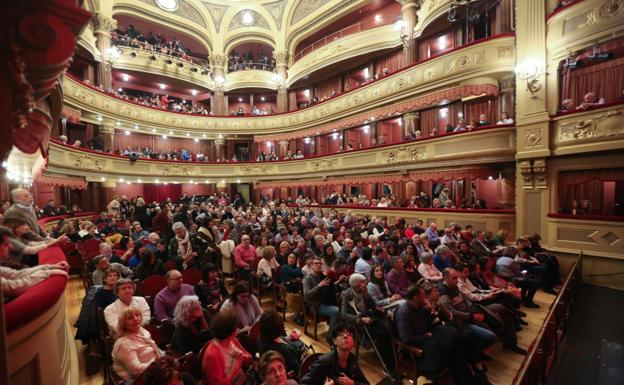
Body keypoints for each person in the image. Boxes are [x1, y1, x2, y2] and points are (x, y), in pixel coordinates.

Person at [395, 285, 479, 385]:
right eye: (423, 295)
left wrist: (431, 311)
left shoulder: (421, 307)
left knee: (455, 339)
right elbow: (407, 340)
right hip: (418, 345)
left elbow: (434, 324)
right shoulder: (404, 314)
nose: (425, 297)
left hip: (429, 337)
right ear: (415, 298)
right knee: (453, 350)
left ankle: (470, 375)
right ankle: (470, 375)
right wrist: (426, 336)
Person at [340, 273, 395, 374]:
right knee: (383, 336)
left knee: (389, 331)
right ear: (357, 284)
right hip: (359, 323)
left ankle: (392, 359)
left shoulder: (363, 291)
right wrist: (360, 319)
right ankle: (388, 367)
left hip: (370, 318)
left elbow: (372, 305)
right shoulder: (347, 295)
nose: (366, 283)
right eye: (363, 282)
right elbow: (344, 315)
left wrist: (366, 295)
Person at [0, 226, 69, 296]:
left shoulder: (20, 238)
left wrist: (50, 267)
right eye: (6, 244)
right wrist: (48, 273)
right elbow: (14, 287)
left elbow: (16, 274)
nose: (11, 246)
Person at [299, 322, 369, 385]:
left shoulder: (352, 359)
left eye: (349, 334)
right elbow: (303, 383)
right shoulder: (324, 361)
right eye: (341, 333)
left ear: (354, 342)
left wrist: (352, 383)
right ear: (335, 341)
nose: (345, 336)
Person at [112, 307, 163, 382]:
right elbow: (136, 371)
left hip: (154, 370)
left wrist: (164, 360)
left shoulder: (142, 331)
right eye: (130, 318)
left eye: (137, 315)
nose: (136, 319)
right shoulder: (124, 344)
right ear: (124, 324)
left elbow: (155, 348)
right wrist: (158, 366)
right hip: (139, 379)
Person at [201, 311, 252, 385]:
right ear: (233, 333)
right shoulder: (212, 356)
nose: (237, 330)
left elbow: (248, 355)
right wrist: (235, 366)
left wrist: (245, 358)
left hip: (242, 378)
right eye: (236, 329)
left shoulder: (232, 340)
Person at [303, 256, 340, 342]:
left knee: (343, 308)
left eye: (320, 264)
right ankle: (330, 336)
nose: (319, 265)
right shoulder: (307, 279)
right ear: (311, 265)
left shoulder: (322, 276)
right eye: (316, 263)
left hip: (326, 302)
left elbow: (331, 288)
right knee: (336, 311)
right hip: (315, 305)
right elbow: (307, 296)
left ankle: (336, 332)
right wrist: (319, 286)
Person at [258, 310, 305, 375]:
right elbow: (298, 369)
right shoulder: (285, 350)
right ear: (279, 326)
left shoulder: (261, 338)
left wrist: (289, 337)